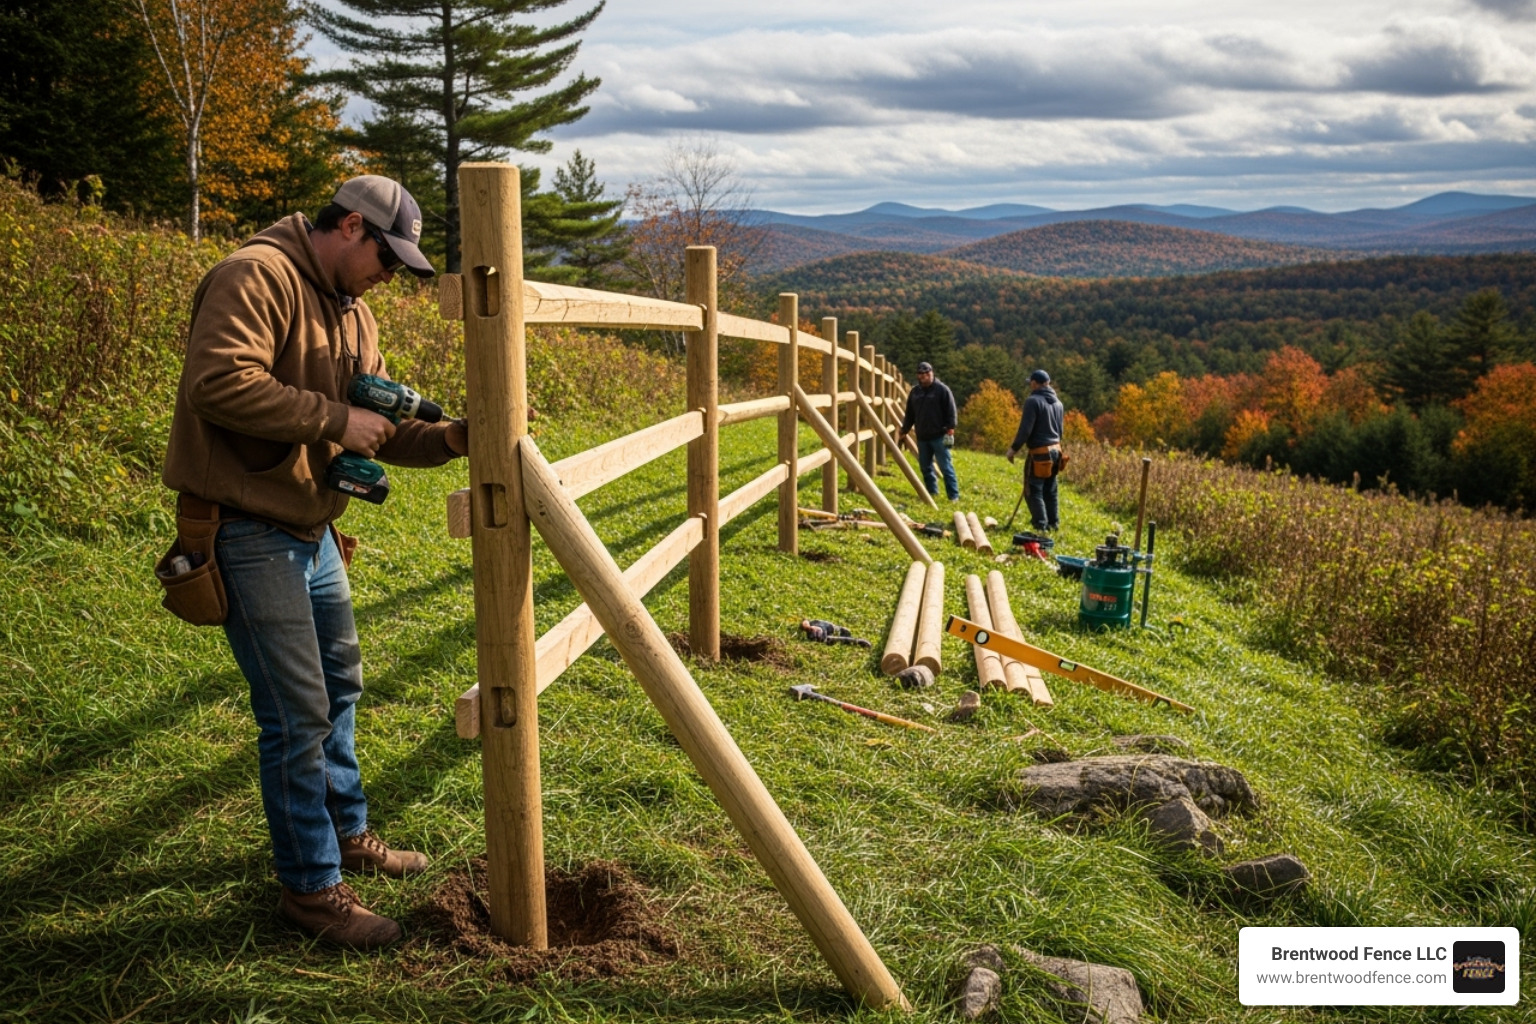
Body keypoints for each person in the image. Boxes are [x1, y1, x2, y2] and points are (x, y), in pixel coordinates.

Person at [162, 175, 468, 948]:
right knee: (296, 716)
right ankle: (311, 892)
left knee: (341, 688)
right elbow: (218, 383)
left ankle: (348, 835)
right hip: (246, 525)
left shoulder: (353, 311)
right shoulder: (254, 275)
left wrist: (455, 437)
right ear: (351, 225)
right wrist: (336, 418)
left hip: (313, 530)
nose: (389, 276)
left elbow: (382, 428)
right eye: (387, 258)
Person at [1006, 369, 1065, 531]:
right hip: (1056, 450)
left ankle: (1041, 525)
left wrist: (1013, 449)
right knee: (1050, 490)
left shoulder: (1033, 401)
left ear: (1034, 383)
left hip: (1039, 453)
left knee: (1033, 490)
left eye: (1030, 383)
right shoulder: (1059, 403)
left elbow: (1025, 430)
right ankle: (1054, 523)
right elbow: (1060, 432)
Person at [896, 360, 960, 501]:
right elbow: (910, 414)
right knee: (925, 467)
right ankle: (932, 493)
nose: (924, 376)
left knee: (945, 467)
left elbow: (951, 411)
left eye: (926, 373)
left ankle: (953, 496)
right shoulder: (915, 393)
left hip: (939, 436)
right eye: (921, 373)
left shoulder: (942, 390)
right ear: (918, 375)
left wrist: (950, 428)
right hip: (922, 437)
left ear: (932, 373)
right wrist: (904, 430)